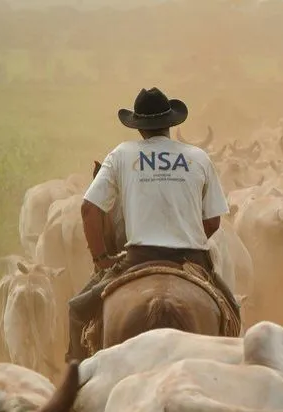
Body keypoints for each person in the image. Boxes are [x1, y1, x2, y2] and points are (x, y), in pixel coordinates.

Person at [66, 87, 240, 362]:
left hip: (137, 258)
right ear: (171, 123)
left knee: (77, 311)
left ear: (138, 127)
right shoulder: (198, 157)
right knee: (232, 309)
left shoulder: (122, 154)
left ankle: (76, 391)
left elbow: (89, 209)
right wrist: (187, 234)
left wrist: (101, 259)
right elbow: (213, 221)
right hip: (191, 257)